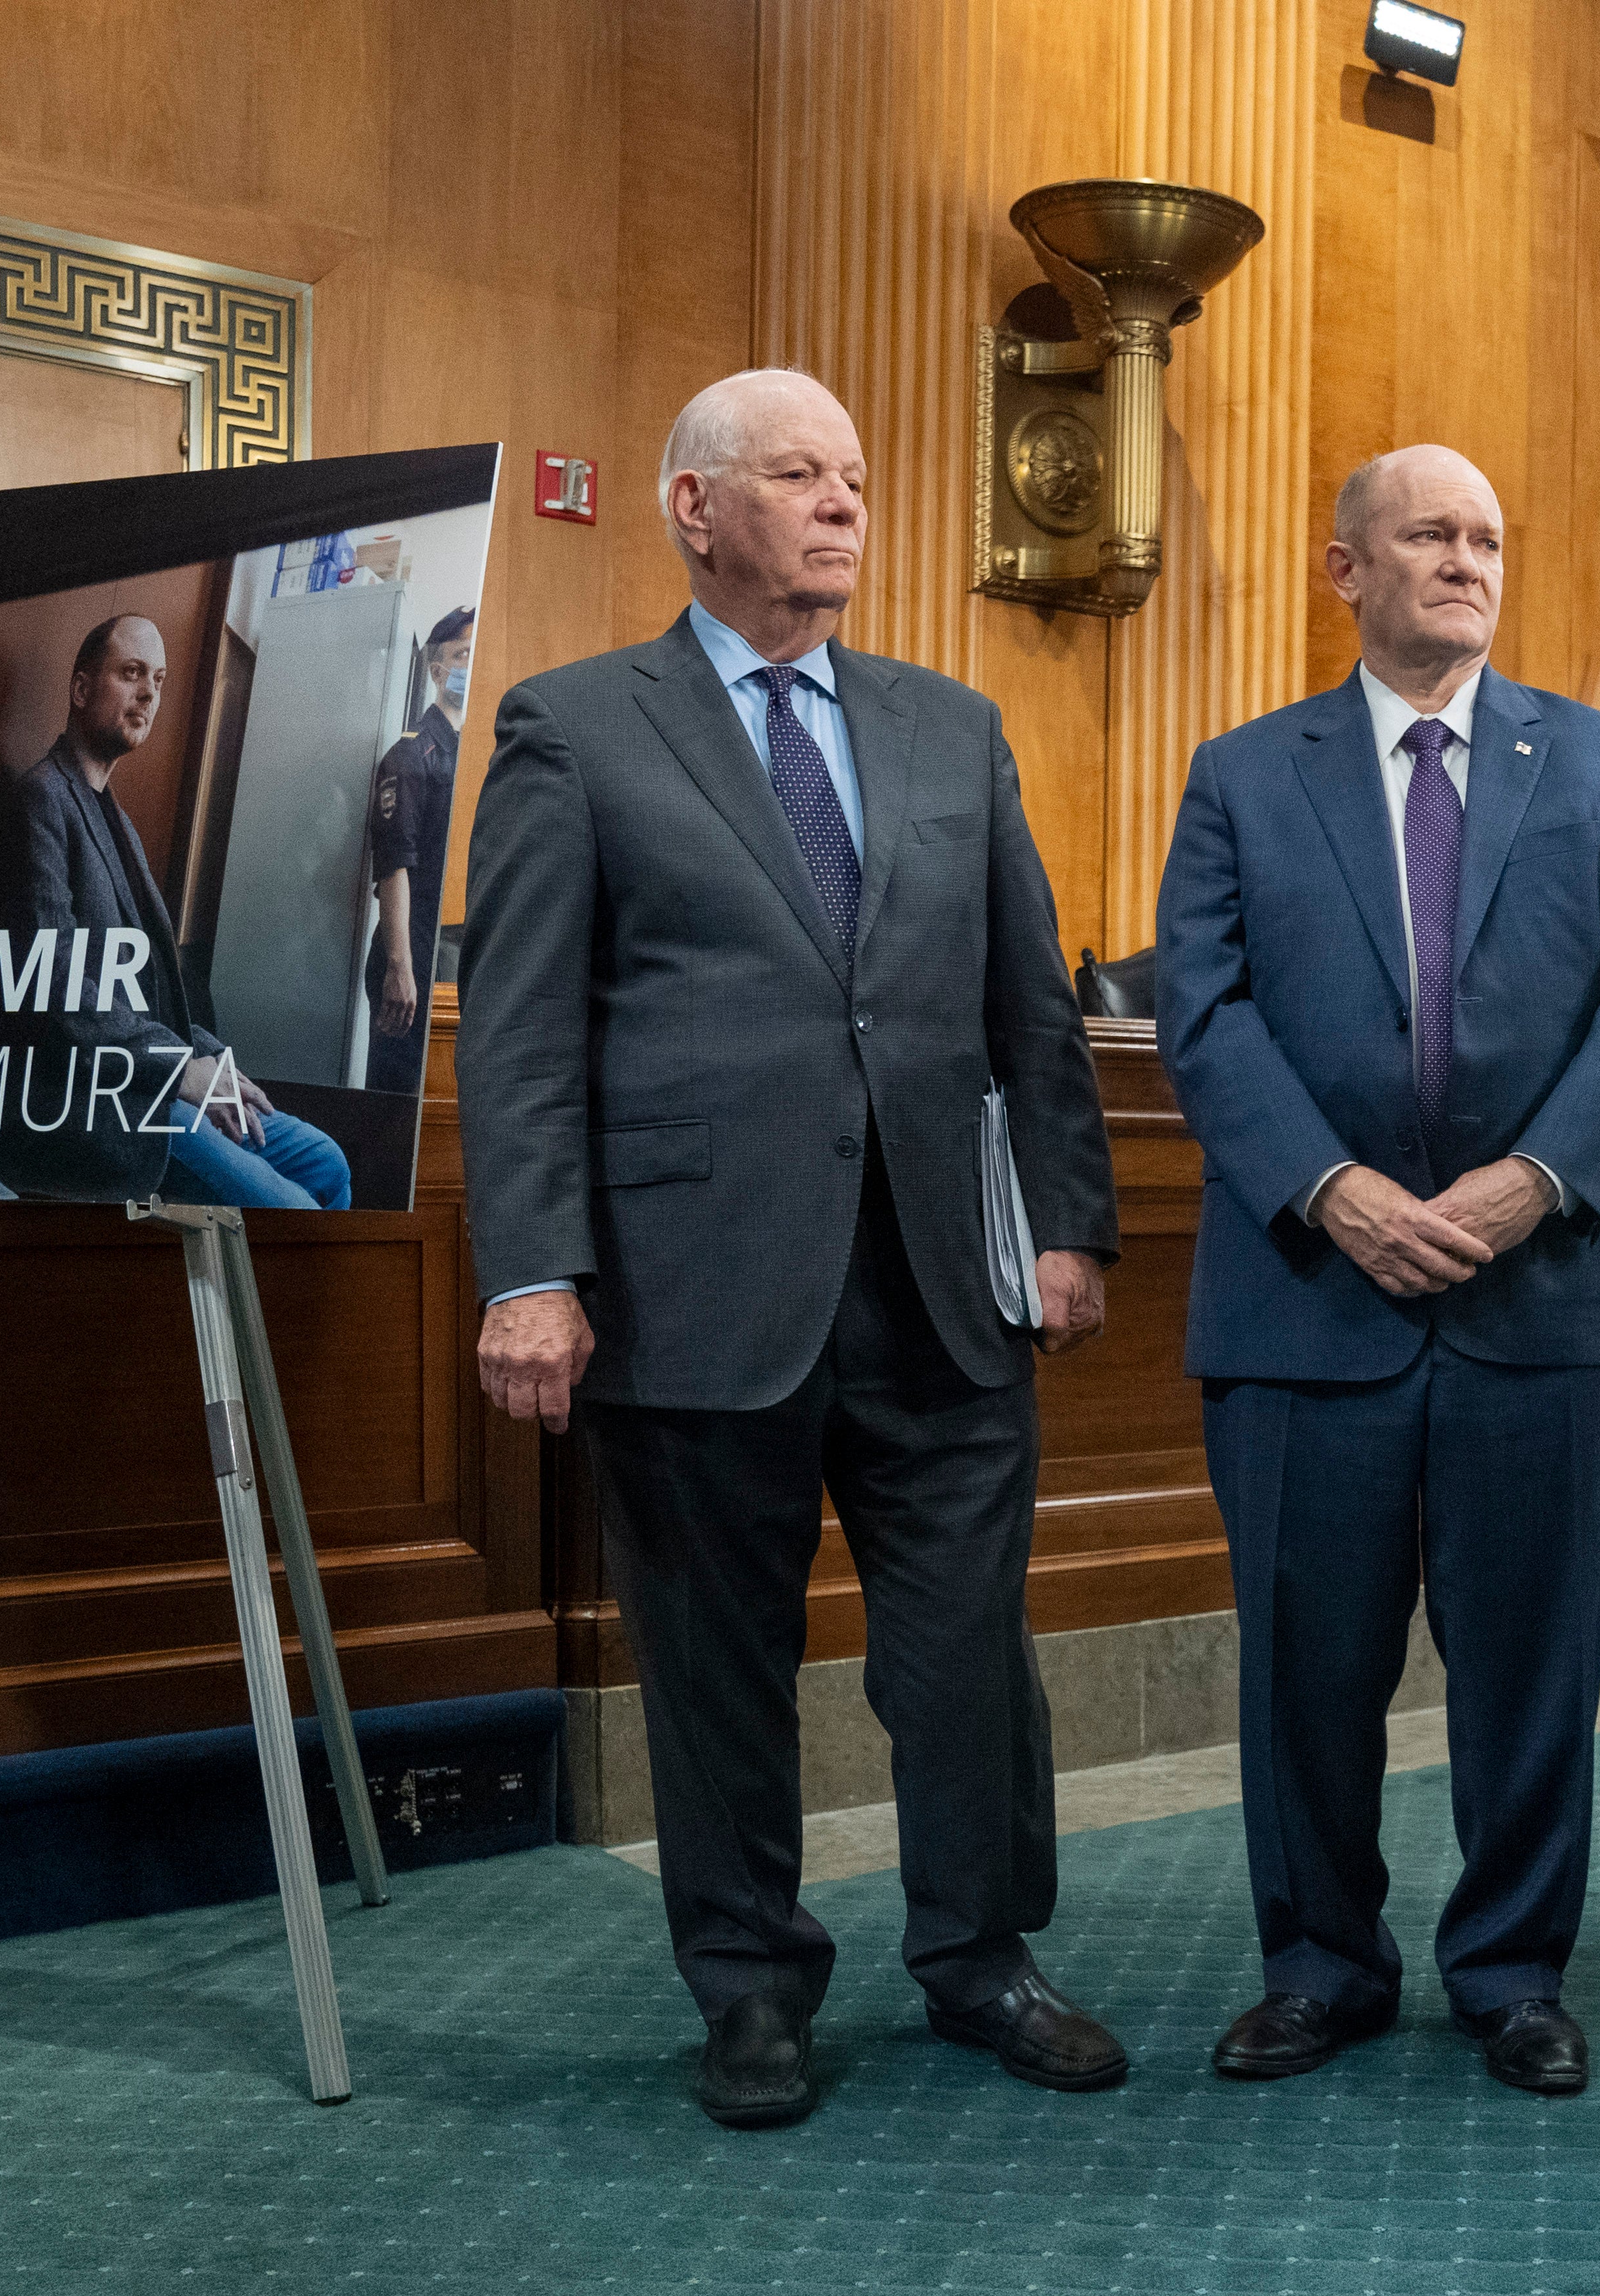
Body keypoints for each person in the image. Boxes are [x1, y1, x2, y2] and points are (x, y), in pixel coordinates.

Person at [457, 370, 1124, 2131]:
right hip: (697, 1285)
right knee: (716, 1659)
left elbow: (1026, 1008)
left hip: (936, 1280)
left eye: (854, 475)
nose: (843, 505)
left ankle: (982, 1954)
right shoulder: (575, 727)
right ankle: (748, 1985)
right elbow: (520, 1033)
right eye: (797, 476)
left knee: (966, 1649)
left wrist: (1064, 1222)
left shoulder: (948, 727)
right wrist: (531, 1268)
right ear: (693, 507)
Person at [1157, 444, 1600, 2098]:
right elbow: (1204, 1006)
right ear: (1345, 570)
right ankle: (1320, 1963)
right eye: (1428, 534)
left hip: (1544, 1296)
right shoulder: (1246, 775)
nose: (1467, 558)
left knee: (1532, 1664)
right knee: (1306, 1664)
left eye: (1487, 533)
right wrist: (1334, 1192)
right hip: (1308, 1299)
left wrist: (1534, 1181)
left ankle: (1513, 1966)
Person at [0, 612, 353, 1209]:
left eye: (159, 680)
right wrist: (180, 1071)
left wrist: (208, 1056)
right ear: (83, 689)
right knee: (293, 1210)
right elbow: (52, 985)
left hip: (148, 1077)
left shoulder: (117, 821)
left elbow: (147, 995)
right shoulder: (39, 801)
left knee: (327, 1164)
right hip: (89, 1098)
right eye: (132, 673)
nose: (148, 695)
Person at [362, 604, 474, 1096]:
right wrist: (400, 968)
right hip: (409, 953)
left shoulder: (466, 751)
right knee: (394, 1105)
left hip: (446, 951)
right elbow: (394, 867)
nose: (471, 665)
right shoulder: (412, 755)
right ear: (437, 670)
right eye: (462, 654)